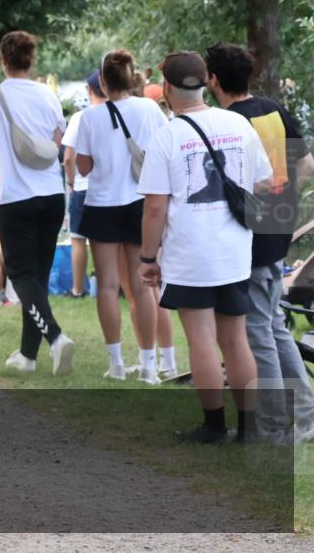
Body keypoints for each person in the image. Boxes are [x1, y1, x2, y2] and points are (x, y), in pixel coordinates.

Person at [139, 51, 272, 444]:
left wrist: (148, 257)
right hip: (234, 251)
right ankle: (249, 428)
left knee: (200, 338)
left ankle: (214, 426)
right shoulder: (237, 123)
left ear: (167, 88)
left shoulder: (167, 136)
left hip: (189, 254)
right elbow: (264, 182)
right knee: (236, 339)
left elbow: (155, 207)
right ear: (207, 82)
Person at [206, 42, 314, 441]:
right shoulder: (272, 109)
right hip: (279, 228)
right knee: (274, 326)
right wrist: (283, 199)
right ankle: (308, 414)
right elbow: (306, 164)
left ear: (213, 80)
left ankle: (270, 425)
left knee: (258, 333)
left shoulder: (227, 123)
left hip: (250, 235)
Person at [0, 31, 76, 375]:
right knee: (38, 278)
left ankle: (56, 338)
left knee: (20, 275)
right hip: (51, 195)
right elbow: (58, 143)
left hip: (15, 197)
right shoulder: (48, 95)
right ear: (32, 60)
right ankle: (27, 356)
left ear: (3, 60)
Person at [75, 50, 168, 384]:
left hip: (102, 204)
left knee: (107, 284)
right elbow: (163, 148)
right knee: (143, 287)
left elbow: (83, 167)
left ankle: (115, 363)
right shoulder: (149, 109)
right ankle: (149, 365)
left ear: (102, 81)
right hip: (140, 203)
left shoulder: (89, 117)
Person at [61, 70, 99, 298]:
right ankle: (110, 285)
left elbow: (68, 158)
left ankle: (78, 288)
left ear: (89, 90)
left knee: (78, 239)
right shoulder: (116, 114)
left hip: (83, 186)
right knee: (106, 243)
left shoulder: (79, 118)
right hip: (107, 189)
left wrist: (71, 181)